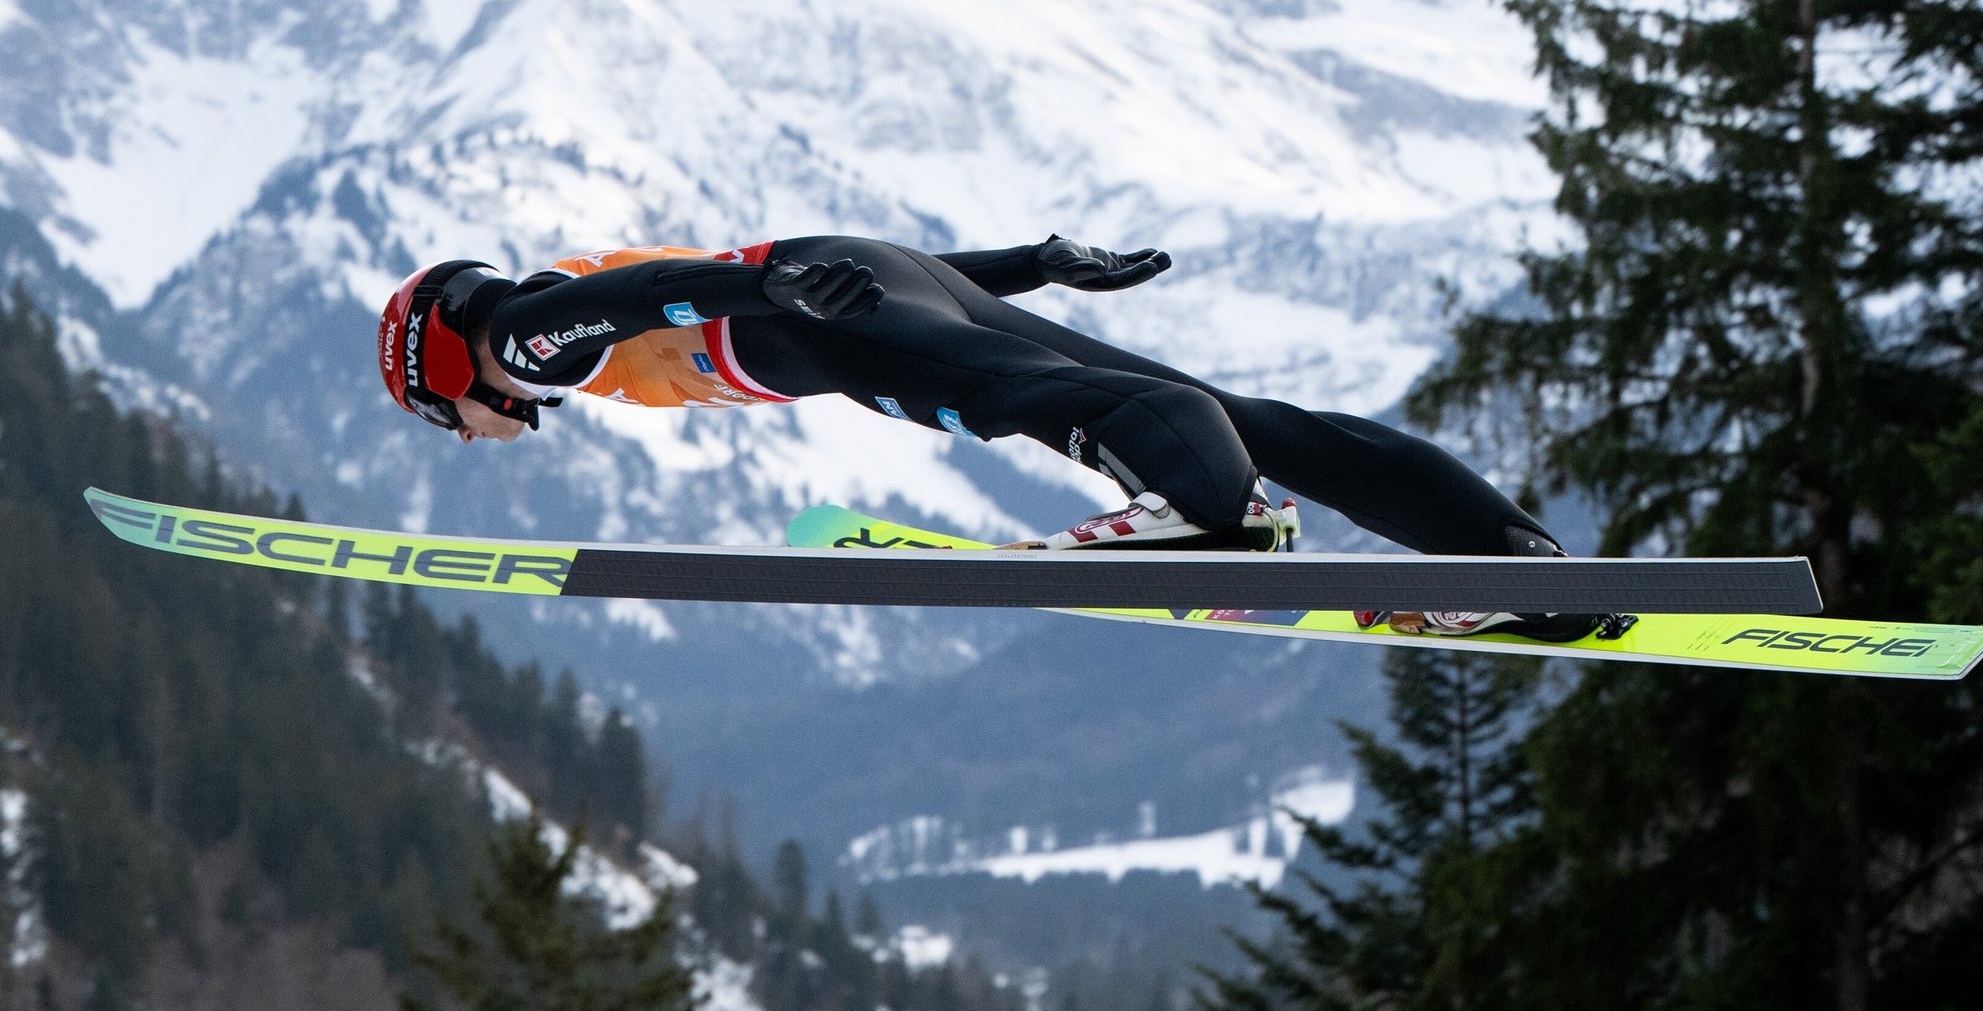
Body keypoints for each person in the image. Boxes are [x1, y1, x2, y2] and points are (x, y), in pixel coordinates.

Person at [377, 233, 1615, 641]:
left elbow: (646, 299)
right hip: (862, 275)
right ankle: (1513, 563)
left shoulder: (523, 333)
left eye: (448, 414)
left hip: (813, 318)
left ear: (444, 359)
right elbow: (696, 279)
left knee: (1032, 402)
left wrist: (768, 300)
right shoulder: (550, 315)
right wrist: (1033, 265)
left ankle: (1213, 523)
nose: (480, 430)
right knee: (1261, 423)